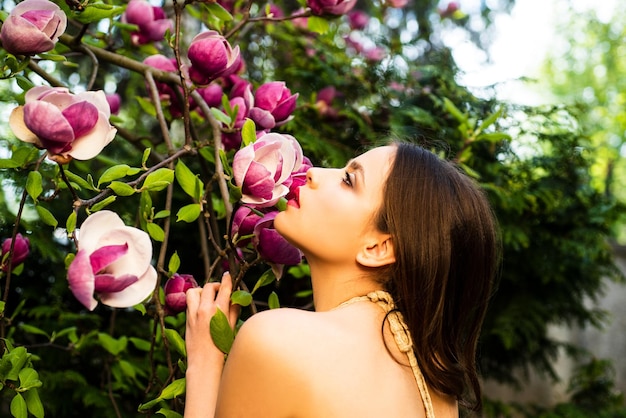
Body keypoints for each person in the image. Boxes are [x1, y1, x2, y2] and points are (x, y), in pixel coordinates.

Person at [185, 142, 500, 418]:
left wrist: (204, 365)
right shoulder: (436, 385)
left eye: (349, 180)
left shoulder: (277, 342)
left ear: (378, 247)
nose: (314, 172)